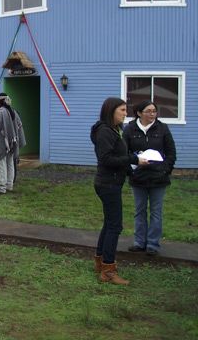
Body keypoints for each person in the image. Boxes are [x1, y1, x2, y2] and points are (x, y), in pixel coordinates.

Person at [90, 97, 148, 285]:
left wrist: (132, 171)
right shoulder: (105, 132)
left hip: (112, 182)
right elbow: (106, 159)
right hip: (108, 184)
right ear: (111, 111)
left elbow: (119, 157)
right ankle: (108, 269)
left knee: (109, 224)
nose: (125, 113)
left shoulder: (115, 130)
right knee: (115, 226)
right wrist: (134, 160)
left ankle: (100, 262)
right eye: (122, 110)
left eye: (125, 110)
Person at [123, 100, 176, 256]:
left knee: (156, 211)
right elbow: (124, 152)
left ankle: (153, 244)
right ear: (139, 113)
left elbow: (171, 153)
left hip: (158, 178)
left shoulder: (162, 128)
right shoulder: (130, 129)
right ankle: (139, 242)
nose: (152, 114)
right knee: (139, 211)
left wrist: (165, 170)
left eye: (154, 111)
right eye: (149, 111)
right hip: (138, 177)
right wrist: (130, 170)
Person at [0, 93, 26, 195]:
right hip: (12, 142)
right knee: (10, 163)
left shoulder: (0, 112)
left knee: (1, 164)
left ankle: (1, 187)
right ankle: (9, 185)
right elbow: (19, 127)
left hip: (2, 142)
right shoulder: (14, 112)